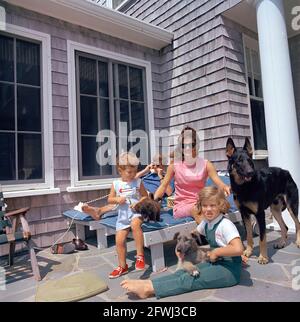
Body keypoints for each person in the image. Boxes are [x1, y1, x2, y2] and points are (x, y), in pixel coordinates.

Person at [120, 186, 244, 299]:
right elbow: (192, 234)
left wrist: (217, 251)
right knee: (184, 271)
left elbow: (239, 249)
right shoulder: (207, 222)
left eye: (213, 205)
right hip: (216, 263)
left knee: (192, 279)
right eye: (205, 206)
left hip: (229, 271)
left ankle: (149, 289)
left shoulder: (225, 224)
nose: (208, 209)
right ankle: (149, 283)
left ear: (221, 205)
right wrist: (179, 247)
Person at [154, 126, 231, 223]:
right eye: (183, 146)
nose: (187, 148)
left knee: (223, 206)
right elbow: (163, 186)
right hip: (183, 205)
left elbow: (220, 183)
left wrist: (226, 188)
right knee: (198, 210)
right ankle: (211, 236)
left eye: (191, 145)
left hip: (202, 202)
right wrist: (153, 201)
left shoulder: (206, 164)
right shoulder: (174, 166)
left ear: (197, 145)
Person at [106, 152, 148, 279]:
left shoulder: (138, 182)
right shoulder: (116, 184)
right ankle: (122, 266)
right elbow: (110, 199)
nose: (133, 174)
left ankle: (140, 256)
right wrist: (117, 200)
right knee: (119, 241)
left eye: (135, 171)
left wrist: (139, 203)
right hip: (123, 216)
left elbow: (145, 196)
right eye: (130, 172)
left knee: (135, 225)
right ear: (120, 171)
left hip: (136, 212)